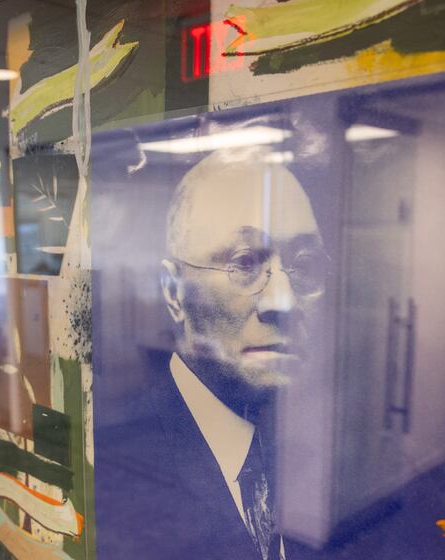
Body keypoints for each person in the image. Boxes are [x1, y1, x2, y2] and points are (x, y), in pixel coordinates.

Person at [97, 147, 329, 560]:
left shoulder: (282, 436)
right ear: (174, 293)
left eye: (305, 262)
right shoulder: (120, 466)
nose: (284, 300)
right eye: (243, 263)